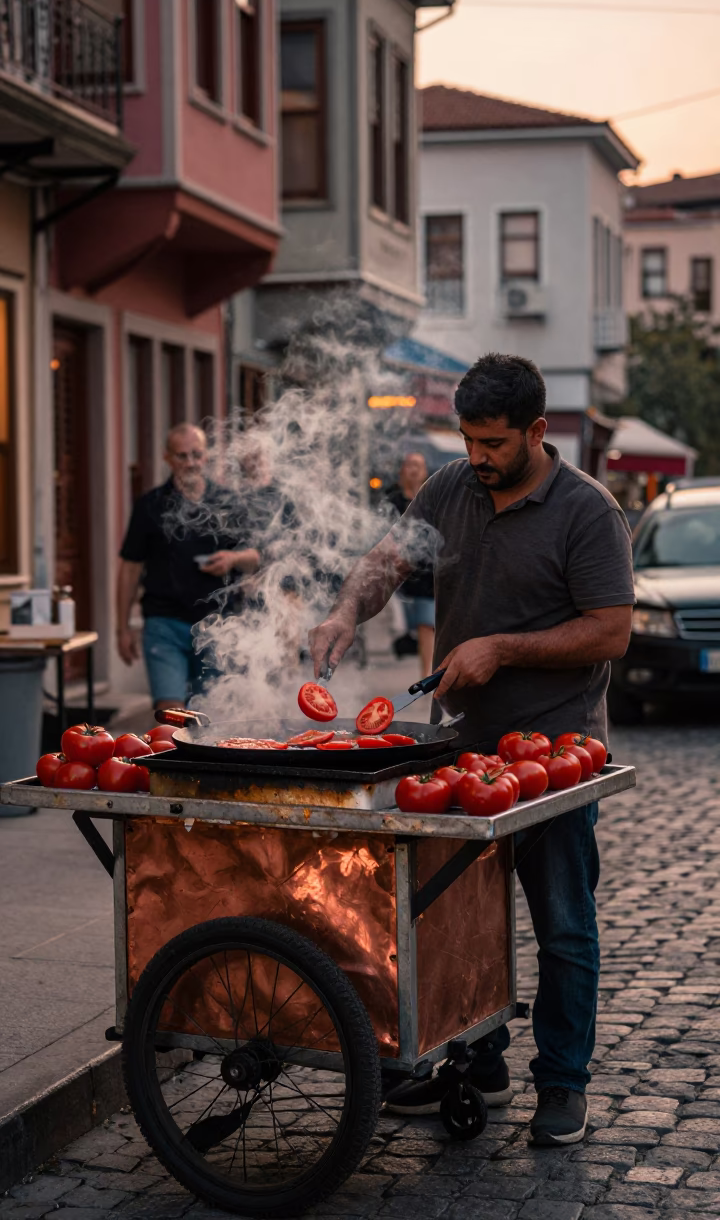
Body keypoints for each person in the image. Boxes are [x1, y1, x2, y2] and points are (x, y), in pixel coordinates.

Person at [310, 353, 635, 1147]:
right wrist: (346, 612)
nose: (477, 457)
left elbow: (610, 630)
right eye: (468, 439)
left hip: (556, 754)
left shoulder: (588, 511)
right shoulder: (449, 488)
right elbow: (388, 561)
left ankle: (561, 1082)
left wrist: (504, 649)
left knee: (563, 927)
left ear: (535, 430)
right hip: (462, 750)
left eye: (493, 444)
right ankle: (476, 1064)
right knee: (459, 920)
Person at [116, 423, 260, 708]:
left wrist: (232, 559)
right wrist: (121, 628)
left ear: (206, 456)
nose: (190, 463)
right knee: (169, 715)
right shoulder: (150, 505)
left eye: (196, 454)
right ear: (167, 458)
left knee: (212, 716)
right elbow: (130, 568)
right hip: (164, 623)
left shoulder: (227, 502)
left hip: (217, 626)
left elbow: (256, 557)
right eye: (182, 456)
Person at [386, 453, 435, 677]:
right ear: (402, 471)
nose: (414, 470)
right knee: (410, 624)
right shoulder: (392, 500)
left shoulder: (433, 498)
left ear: (425, 471)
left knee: (427, 624)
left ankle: (426, 676)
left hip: (428, 572)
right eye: (410, 465)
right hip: (398, 573)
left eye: (419, 465)